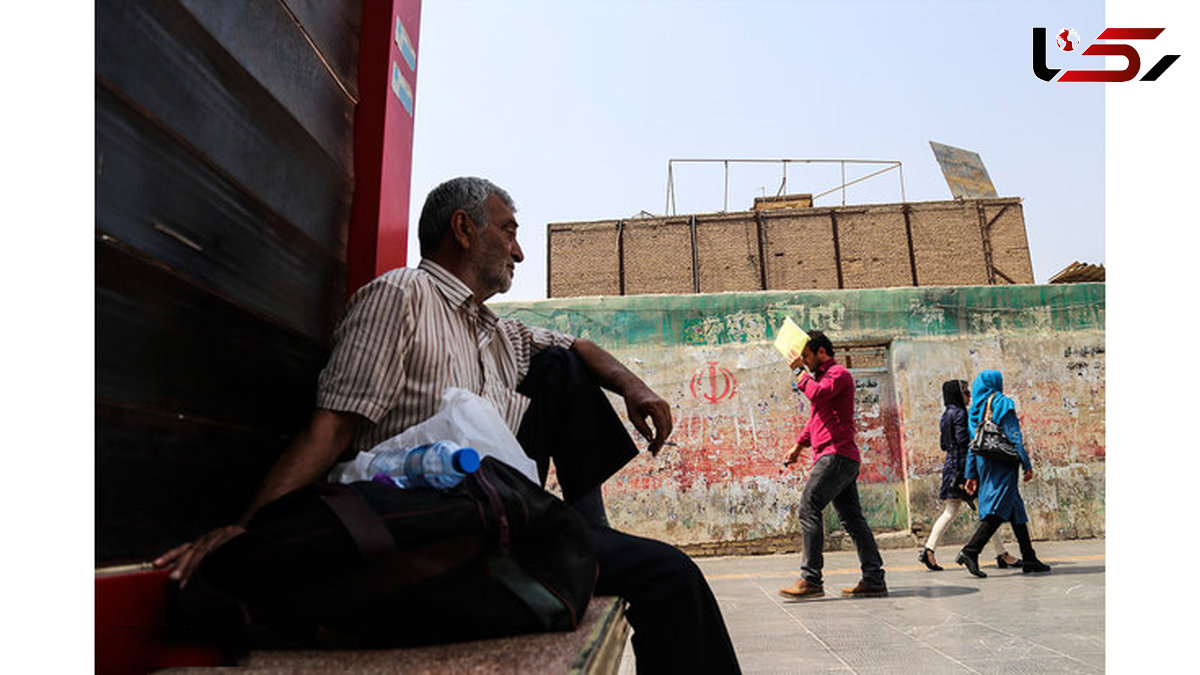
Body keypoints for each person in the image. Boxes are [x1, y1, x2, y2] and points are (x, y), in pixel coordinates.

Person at [155, 177, 741, 673]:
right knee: (672, 577)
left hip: (498, 513)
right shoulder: (400, 297)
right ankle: (580, 545)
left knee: (565, 364)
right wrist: (249, 529)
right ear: (463, 229)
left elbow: (578, 345)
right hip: (429, 525)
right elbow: (330, 429)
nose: (518, 252)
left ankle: (582, 534)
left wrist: (637, 389)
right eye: (508, 230)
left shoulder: (496, 333)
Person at [779, 330, 887, 600]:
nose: (804, 361)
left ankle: (811, 579)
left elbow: (818, 395)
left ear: (821, 352)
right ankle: (874, 578)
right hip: (840, 457)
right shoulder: (821, 378)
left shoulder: (838, 374)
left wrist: (798, 374)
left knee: (808, 507)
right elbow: (817, 416)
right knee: (852, 519)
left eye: (806, 356)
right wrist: (799, 446)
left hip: (835, 456)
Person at [955, 370, 1051, 577]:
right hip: (1002, 462)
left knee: (1015, 508)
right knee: (998, 509)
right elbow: (1013, 435)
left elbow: (973, 444)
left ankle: (1029, 557)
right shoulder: (1002, 403)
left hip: (984, 462)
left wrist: (971, 475)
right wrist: (1026, 463)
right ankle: (970, 551)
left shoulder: (975, 409)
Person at [918, 379, 1020, 571]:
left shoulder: (945, 415)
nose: (969, 396)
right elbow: (965, 442)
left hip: (951, 469)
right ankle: (1001, 554)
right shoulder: (960, 414)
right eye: (966, 392)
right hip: (963, 470)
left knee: (952, 512)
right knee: (988, 513)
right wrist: (971, 472)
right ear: (957, 394)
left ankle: (929, 550)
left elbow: (944, 444)